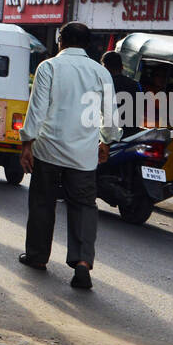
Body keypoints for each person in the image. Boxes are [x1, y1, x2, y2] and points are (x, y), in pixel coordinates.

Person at [18, 21, 120, 290]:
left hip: (48, 148)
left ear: (60, 40)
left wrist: (26, 142)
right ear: (87, 44)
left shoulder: (49, 67)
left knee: (42, 202)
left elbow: (37, 109)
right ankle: (83, 262)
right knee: (84, 206)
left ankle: (38, 257)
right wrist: (107, 141)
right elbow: (110, 115)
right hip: (83, 154)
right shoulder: (101, 72)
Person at [102, 51, 141, 133]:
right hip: (132, 134)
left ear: (104, 67)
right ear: (122, 67)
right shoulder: (135, 85)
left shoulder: (105, 85)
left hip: (111, 136)